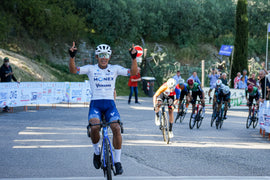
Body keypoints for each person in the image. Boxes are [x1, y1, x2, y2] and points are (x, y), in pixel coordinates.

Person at [68, 42, 138, 175]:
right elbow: (73, 70)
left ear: (109, 57)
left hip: (110, 104)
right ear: (96, 56)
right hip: (96, 104)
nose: (104, 58)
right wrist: (72, 57)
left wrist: (134, 58)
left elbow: (133, 72)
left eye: (106, 55)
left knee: (116, 128)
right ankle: (96, 152)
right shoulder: (90, 69)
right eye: (101, 55)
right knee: (94, 127)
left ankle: (117, 161)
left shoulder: (115, 69)